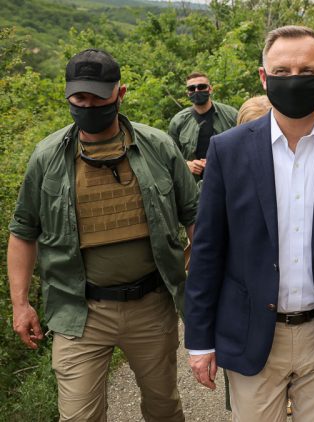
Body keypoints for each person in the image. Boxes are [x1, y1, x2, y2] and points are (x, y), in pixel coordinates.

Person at [183, 25, 314, 421]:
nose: (294, 80)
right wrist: (199, 341)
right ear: (264, 77)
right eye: (282, 71)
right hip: (251, 331)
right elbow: (208, 250)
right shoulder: (228, 151)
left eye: (307, 71)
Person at [7, 48, 198, 421]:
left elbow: (195, 217)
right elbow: (23, 232)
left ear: (120, 93)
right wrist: (20, 304)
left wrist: (206, 288)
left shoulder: (158, 147)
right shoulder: (47, 157)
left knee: (163, 407)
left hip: (151, 305)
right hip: (79, 312)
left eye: (98, 96)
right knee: (79, 416)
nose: (89, 105)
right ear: (68, 96)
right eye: (80, 98)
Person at [168, 72, 238, 181]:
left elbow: (243, 147)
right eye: (192, 88)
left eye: (201, 87)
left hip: (227, 179)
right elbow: (170, 155)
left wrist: (218, 160)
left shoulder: (231, 115)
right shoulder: (178, 121)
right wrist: (186, 165)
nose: (197, 91)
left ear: (210, 89)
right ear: (188, 93)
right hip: (192, 184)